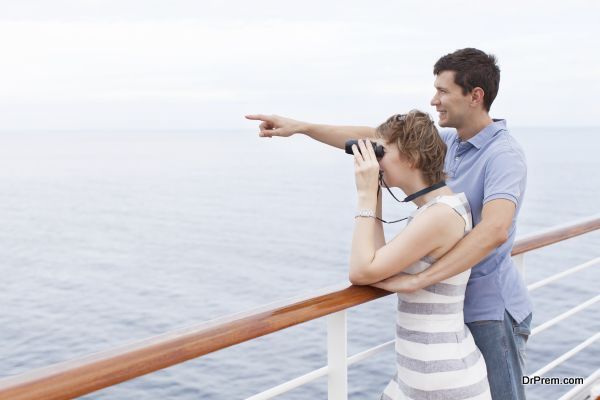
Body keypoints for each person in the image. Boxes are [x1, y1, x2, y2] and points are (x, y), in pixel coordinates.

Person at [246, 47, 532, 400]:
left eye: (443, 91)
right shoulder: (450, 143)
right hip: (448, 311)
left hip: (489, 309)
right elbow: (378, 138)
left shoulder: (503, 155)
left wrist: (422, 279)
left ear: (475, 96)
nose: (434, 99)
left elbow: (495, 230)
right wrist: (304, 128)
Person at [350, 110, 491, 399]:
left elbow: (361, 271)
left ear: (411, 158)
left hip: (441, 380)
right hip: (421, 373)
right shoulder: (439, 207)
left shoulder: (440, 215)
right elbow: (375, 260)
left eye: (382, 152)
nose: (377, 160)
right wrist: (373, 190)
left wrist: (364, 194)